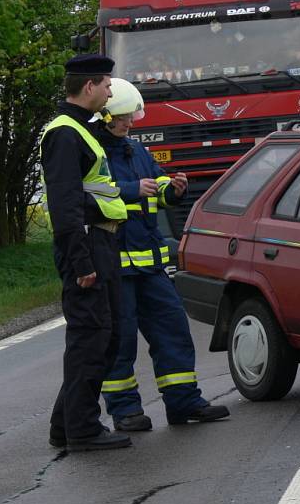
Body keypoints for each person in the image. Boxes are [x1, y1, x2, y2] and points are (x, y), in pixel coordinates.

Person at [98, 78, 230, 431]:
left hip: (151, 266)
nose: (130, 123)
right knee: (120, 341)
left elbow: (155, 188)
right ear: (105, 116)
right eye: (124, 117)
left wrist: (173, 189)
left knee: (173, 331)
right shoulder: (91, 153)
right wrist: (129, 190)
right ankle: (125, 411)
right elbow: (88, 195)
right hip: (115, 267)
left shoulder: (135, 150)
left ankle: (183, 402)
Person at [41, 54, 132, 451]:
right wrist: (81, 262)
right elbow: (65, 206)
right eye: (107, 84)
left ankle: (66, 424)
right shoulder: (64, 133)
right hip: (88, 246)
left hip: (101, 242)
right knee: (91, 337)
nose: (111, 90)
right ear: (90, 86)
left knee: (101, 337)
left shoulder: (81, 129)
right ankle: (81, 429)